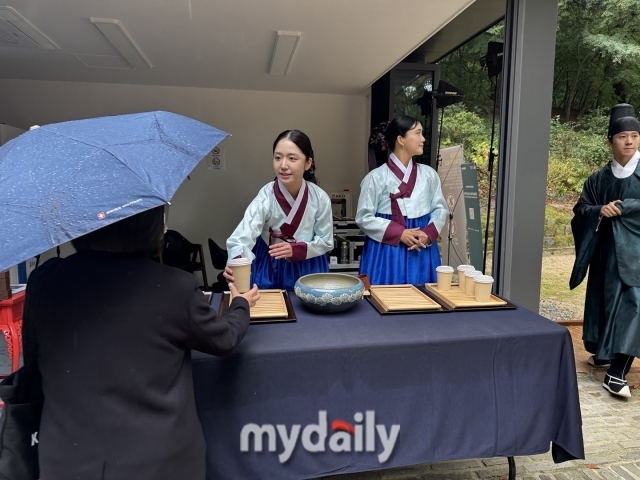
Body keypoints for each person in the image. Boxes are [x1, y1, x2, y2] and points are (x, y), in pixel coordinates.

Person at [28, 205, 260, 479]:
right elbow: (223, 339)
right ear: (146, 228)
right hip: (159, 463)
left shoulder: (44, 281)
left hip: (65, 459)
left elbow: (33, 364)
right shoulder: (174, 286)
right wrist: (241, 305)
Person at [570, 103, 640, 398]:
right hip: (605, 254)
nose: (629, 142)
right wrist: (600, 209)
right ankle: (603, 351)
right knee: (608, 304)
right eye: (623, 136)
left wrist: (626, 210)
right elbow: (581, 209)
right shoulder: (598, 179)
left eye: (635, 136)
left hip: (636, 254)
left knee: (635, 305)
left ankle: (617, 371)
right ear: (609, 141)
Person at [226, 130, 333, 290]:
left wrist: (296, 249)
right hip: (271, 264)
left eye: (292, 158)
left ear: (308, 163)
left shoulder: (320, 198)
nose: (283, 165)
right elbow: (243, 235)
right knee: (270, 311)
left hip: (309, 264)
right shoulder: (266, 196)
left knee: (312, 311)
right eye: (277, 157)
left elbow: (325, 240)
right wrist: (237, 259)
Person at [356, 116, 448, 285]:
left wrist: (428, 234)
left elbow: (440, 209)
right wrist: (399, 233)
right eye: (418, 133)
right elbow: (364, 217)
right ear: (401, 139)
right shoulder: (375, 178)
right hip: (387, 248)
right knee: (384, 300)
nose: (423, 139)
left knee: (423, 300)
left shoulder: (429, 175)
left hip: (421, 246)